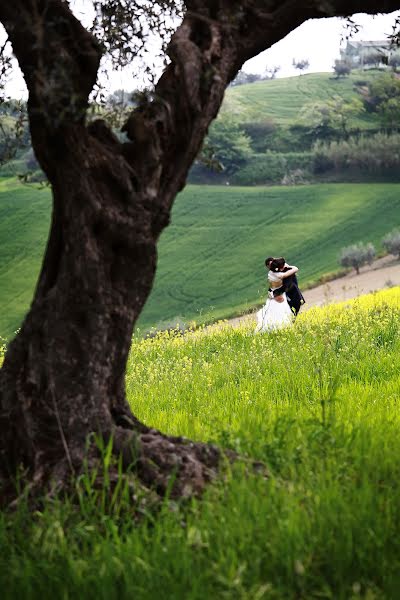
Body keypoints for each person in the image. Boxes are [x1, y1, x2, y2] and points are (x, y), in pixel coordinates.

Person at [255, 258, 299, 333]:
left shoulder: (271, 273)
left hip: (275, 294)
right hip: (278, 295)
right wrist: (292, 267)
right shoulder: (279, 275)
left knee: (274, 313)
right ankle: (280, 329)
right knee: (280, 313)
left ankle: (278, 329)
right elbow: (295, 269)